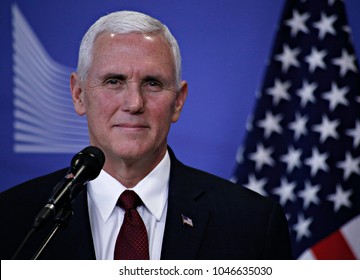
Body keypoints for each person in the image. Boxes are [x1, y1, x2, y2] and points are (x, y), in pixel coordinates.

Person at [0, 10, 292, 260]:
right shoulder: (14, 219)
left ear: (178, 100)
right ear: (78, 95)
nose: (134, 103)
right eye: (114, 81)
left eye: (152, 83)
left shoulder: (251, 223)